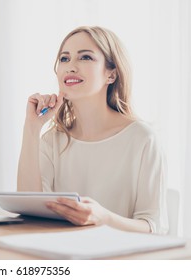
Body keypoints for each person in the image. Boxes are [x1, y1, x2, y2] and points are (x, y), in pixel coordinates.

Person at [17, 26, 168, 234]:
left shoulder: (143, 139)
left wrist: (103, 218)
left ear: (111, 75)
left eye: (85, 57)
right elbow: (29, 212)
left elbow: (154, 227)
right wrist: (32, 128)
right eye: (64, 59)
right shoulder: (52, 140)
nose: (71, 66)